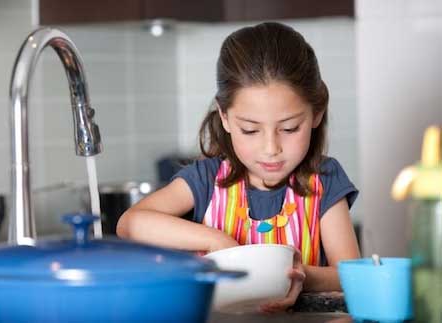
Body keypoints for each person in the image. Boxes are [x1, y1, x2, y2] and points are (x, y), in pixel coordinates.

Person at [116, 22, 360, 312]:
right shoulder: (206, 179)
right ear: (226, 117)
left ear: (317, 112)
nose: (271, 148)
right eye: (250, 130)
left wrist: (302, 277)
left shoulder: (324, 180)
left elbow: (351, 275)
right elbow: (130, 224)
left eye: (290, 128)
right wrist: (216, 240)